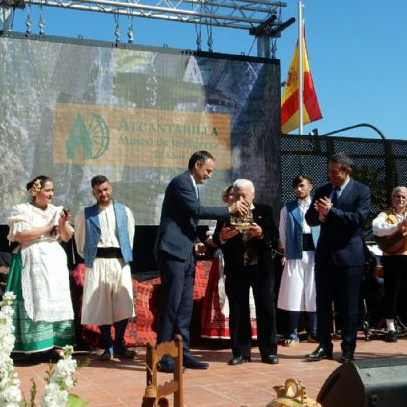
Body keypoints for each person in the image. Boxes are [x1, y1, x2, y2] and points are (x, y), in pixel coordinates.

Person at [154, 150, 248, 372]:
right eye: (208, 170)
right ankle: (162, 356)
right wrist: (229, 210)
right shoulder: (181, 183)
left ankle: (183, 354)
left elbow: (184, 220)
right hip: (173, 252)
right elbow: (195, 211)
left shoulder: (192, 186)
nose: (209, 175)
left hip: (186, 252)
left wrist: (195, 241)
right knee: (171, 305)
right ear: (197, 165)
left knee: (185, 307)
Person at [305, 153, 371, 364]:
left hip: (350, 257)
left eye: (335, 172)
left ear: (347, 172)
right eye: (329, 171)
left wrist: (331, 212)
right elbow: (310, 217)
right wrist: (321, 216)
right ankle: (324, 344)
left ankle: (348, 347)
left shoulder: (361, 191)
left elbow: (358, 220)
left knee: (349, 305)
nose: (331, 175)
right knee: (323, 302)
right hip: (325, 255)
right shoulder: (323, 190)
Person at [5, 175, 75, 354]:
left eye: (52, 190)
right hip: (33, 258)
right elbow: (21, 236)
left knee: (56, 299)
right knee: (37, 300)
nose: (51, 194)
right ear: (35, 191)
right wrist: (48, 227)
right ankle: (35, 344)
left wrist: (63, 223)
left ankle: (57, 344)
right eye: (47, 190)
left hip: (55, 262)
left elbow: (65, 237)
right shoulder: (22, 210)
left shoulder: (56, 211)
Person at [214, 179, 279, 365]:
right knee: (238, 310)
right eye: (237, 194)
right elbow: (218, 241)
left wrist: (261, 233)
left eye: (244, 195)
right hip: (237, 268)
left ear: (253, 195)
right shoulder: (226, 213)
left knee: (266, 309)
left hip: (261, 268)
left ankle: (268, 351)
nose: (241, 198)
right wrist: (223, 237)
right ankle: (241, 352)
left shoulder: (264, 211)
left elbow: (274, 237)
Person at [74, 175, 136, 361]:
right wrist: (93, 257)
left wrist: (123, 254)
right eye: (99, 191)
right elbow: (80, 242)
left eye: (106, 189)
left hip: (119, 261)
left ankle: (119, 345)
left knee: (122, 303)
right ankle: (107, 345)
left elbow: (130, 236)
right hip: (98, 262)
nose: (104, 193)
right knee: (102, 305)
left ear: (111, 189)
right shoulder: (85, 214)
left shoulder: (124, 211)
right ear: (93, 192)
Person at [372, 186, 407, 342]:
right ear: (392, 198)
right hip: (391, 257)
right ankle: (390, 329)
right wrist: (399, 225)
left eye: (404, 197)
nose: (400, 199)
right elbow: (378, 230)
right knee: (391, 291)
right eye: (397, 196)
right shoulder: (384, 215)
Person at [278, 174, 319, 345]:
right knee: (293, 292)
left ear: (310, 187)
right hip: (295, 254)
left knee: (313, 292)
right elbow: (283, 233)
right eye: (296, 186)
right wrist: (287, 253)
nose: (299, 189)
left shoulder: (318, 207)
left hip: (315, 254)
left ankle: (314, 332)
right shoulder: (287, 209)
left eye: (303, 185)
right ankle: (292, 332)